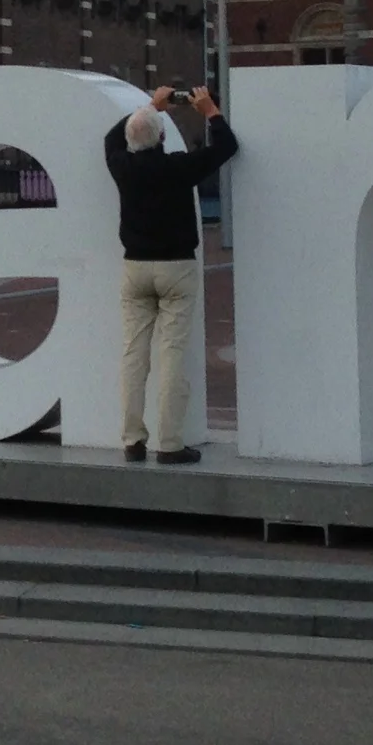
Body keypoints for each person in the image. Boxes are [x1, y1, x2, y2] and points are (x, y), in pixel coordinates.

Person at [102, 85, 239, 465]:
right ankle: (170, 442)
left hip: (135, 268)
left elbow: (112, 138)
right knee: (172, 355)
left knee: (134, 354)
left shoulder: (122, 167)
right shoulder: (178, 166)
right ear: (163, 136)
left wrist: (150, 106)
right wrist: (209, 110)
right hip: (176, 267)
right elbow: (226, 148)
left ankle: (132, 440)